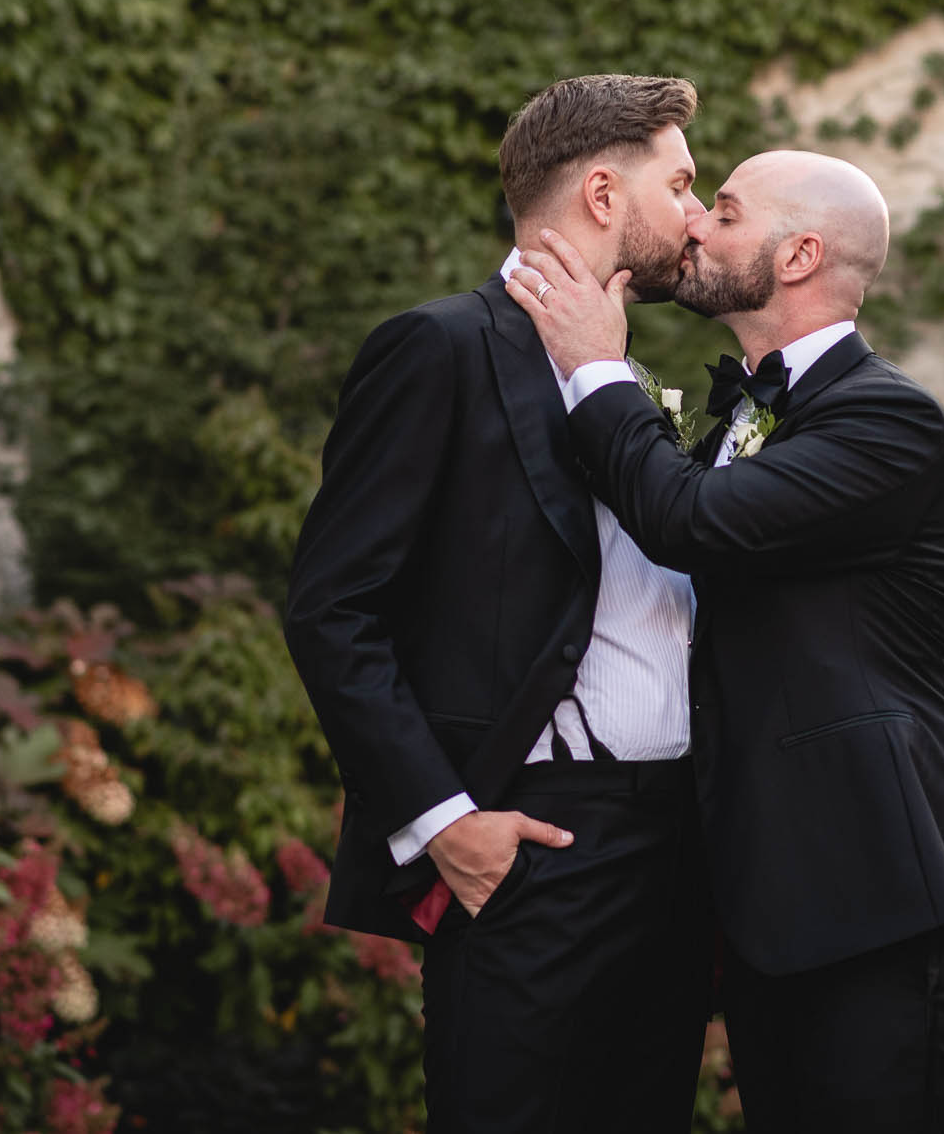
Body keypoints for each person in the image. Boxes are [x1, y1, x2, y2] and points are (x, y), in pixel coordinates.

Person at [504, 148, 944, 1134]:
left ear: (797, 256)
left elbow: (689, 520)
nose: (698, 223)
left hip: (873, 890)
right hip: (770, 900)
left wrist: (596, 365)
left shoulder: (889, 420)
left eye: (728, 211)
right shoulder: (749, 415)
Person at [282, 74, 713, 1134]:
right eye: (681, 185)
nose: (698, 215)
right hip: (530, 844)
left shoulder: (625, 375)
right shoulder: (438, 348)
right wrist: (445, 821)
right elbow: (333, 608)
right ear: (603, 194)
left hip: (672, 851)